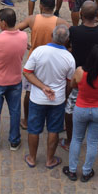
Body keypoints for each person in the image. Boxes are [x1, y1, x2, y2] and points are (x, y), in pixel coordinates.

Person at [23, 25, 75, 169]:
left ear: (52, 36)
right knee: (54, 130)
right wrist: (63, 97)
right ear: (66, 40)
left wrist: (42, 87)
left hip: (37, 98)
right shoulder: (69, 58)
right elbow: (70, 82)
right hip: (57, 100)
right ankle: (49, 160)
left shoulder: (39, 51)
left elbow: (27, 72)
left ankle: (32, 158)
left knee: (34, 129)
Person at [17, 0, 69, 129]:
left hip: (35, 60)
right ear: (54, 7)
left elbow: (16, 30)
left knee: (29, 91)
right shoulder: (60, 22)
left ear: (40, 6)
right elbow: (71, 33)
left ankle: (27, 120)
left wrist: (26, 44)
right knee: (57, 88)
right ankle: (58, 119)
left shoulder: (32, 19)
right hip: (54, 60)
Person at [62, 2, 98, 150]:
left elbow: (67, 45)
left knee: (70, 107)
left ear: (81, 14)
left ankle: (70, 140)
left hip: (79, 74)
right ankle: (95, 139)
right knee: (97, 104)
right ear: (96, 16)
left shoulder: (74, 30)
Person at [63, 44, 98, 182]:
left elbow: (72, 85)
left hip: (82, 108)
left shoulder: (80, 71)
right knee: (92, 141)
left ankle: (72, 170)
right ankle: (86, 172)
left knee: (76, 139)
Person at [0, 8, 29, 152]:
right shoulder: (23, 36)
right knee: (15, 111)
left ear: (3, 23)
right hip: (15, 80)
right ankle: (14, 141)